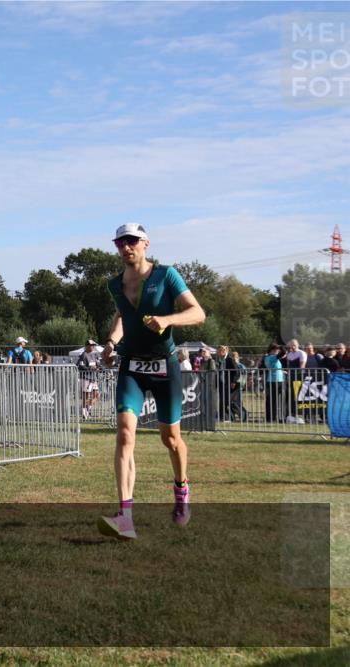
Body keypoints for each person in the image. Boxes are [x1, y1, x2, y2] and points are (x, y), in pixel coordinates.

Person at [99, 224, 206, 540]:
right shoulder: (114, 284)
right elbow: (122, 316)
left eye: (131, 241)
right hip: (131, 364)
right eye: (120, 242)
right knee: (124, 435)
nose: (125, 247)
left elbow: (197, 312)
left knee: (171, 438)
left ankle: (181, 488)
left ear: (145, 244)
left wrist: (167, 320)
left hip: (165, 365)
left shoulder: (166, 275)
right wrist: (110, 343)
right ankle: (125, 517)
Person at [77, 340, 103, 419]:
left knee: (97, 395)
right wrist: (90, 368)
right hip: (85, 378)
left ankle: (88, 410)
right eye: (91, 345)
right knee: (86, 395)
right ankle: (84, 412)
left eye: (93, 345)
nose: (93, 346)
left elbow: (99, 364)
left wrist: (99, 368)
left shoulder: (95, 355)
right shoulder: (83, 355)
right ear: (87, 346)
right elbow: (80, 366)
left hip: (93, 378)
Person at [263, 344, 285, 423]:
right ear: (271, 350)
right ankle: (273, 418)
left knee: (271, 400)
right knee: (275, 400)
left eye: (278, 349)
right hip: (276, 381)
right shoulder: (272, 357)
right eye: (276, 349)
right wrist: (281, 346)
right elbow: (283, 353)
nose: (277, 351)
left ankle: (270, 418)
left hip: (273, 380)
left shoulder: (267, 358)